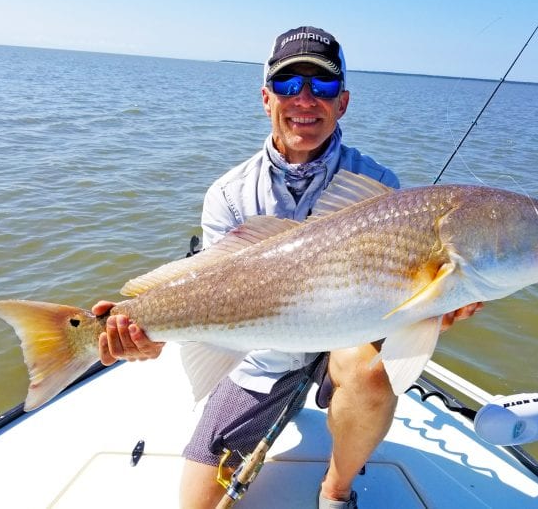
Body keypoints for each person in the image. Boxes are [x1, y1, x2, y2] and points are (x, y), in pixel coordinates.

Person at [93, 26, 482, 509]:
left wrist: (436, 308)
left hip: (344, 340)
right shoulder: (229, 195)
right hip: (261, 358)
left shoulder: (378, 184)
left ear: (342, 102)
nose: (305, 100)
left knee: (370, 372)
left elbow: (396, 306)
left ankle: (335, 492)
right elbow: (215, 294)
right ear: (265, 97)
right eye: (287, 85)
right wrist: (151, 330)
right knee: (196, 505)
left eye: (321, 87)